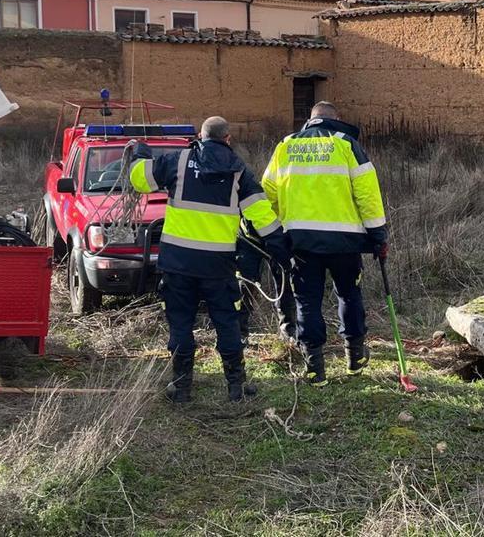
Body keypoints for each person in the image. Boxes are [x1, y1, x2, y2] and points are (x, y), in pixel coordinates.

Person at [129, 116, 289, 403]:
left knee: (180, 324)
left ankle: (181, 388)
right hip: (218, 266)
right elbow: (262, 217)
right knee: (227, 323)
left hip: (177, 263)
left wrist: (140, 153)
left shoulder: (177, 161)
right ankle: (236, 388)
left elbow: (139, 179)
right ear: (228, 140)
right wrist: (282, 251)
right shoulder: (238, 171)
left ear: (200, 137)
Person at [261, 101, 387, 387]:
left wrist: (270, 233)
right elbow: (367, 194)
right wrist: (378, 236)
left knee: (307, 302)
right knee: (349, 295)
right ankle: (354, 357)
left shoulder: (286, 145)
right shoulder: (346, 145)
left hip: (300, 241)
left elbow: (267, 192)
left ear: (310, 119)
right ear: (336, 119)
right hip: (344, 241)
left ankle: (315, 368)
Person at [235, 218, 297, 347]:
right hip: (249, 237)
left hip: (279, 236)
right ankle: (239, 333)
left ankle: (288, 331)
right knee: (245, 284)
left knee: (284, 282)